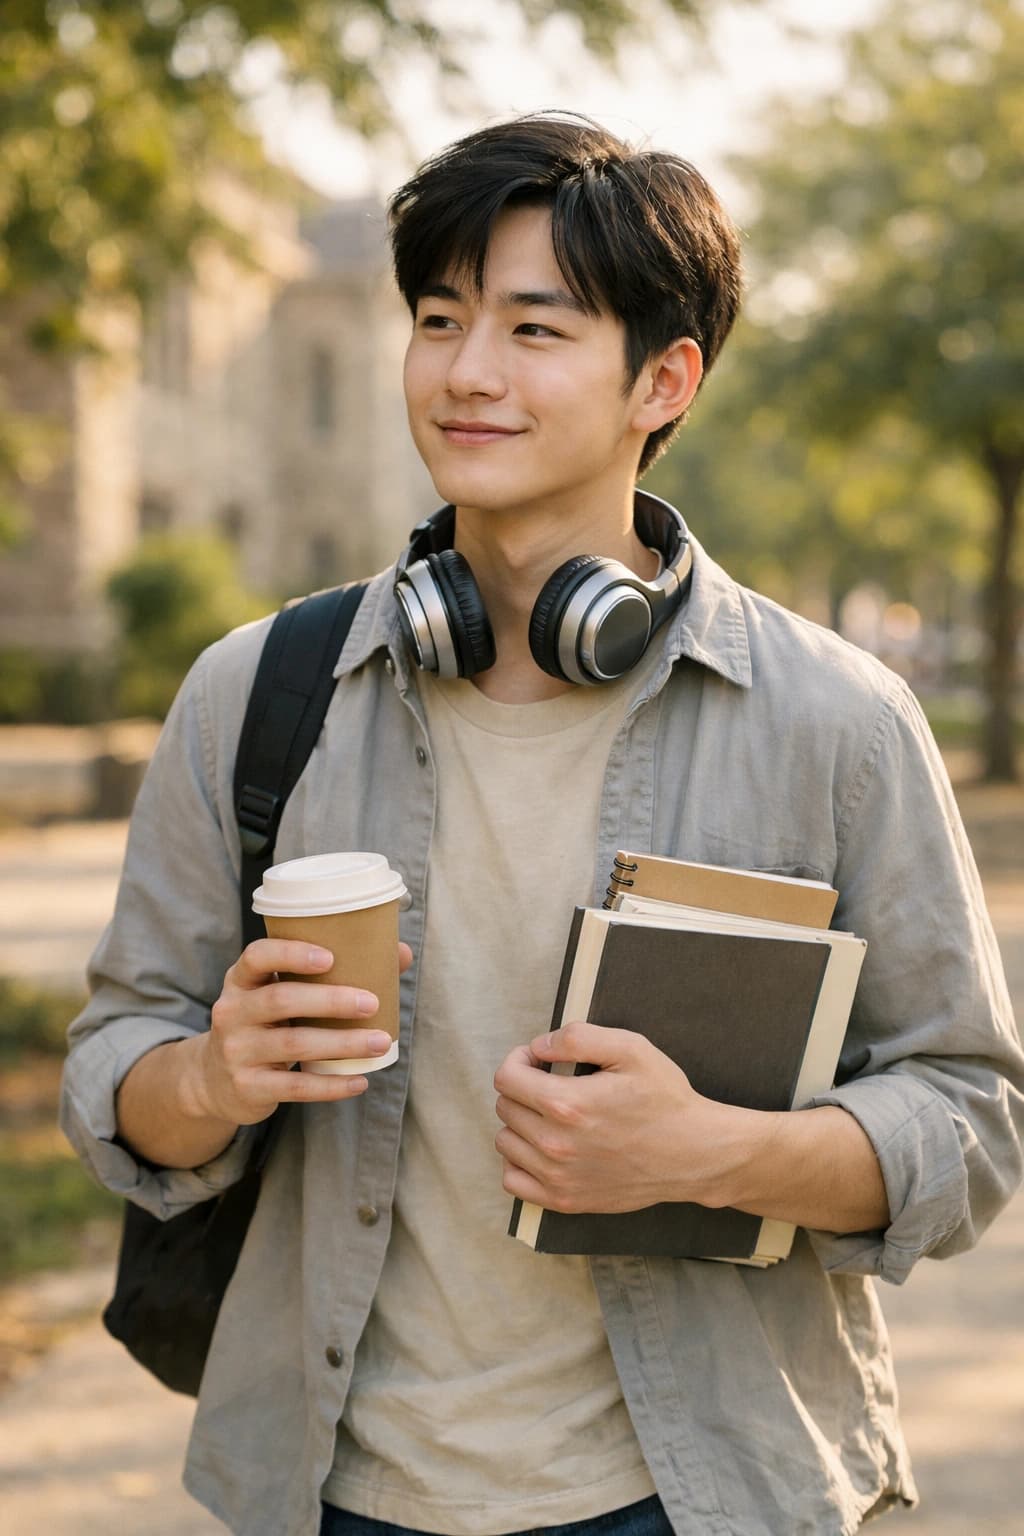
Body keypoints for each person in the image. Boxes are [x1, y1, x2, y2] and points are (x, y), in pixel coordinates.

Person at [61, 113, 1024, 1536]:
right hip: (331, 1485)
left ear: (664, 377)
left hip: (705, 1493)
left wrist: (707, 1151)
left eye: (534, 328)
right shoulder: (254, 696)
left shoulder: (838, 722)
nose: (465, 372)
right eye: (438, 318)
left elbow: (971, 1120)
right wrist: (214, 1075)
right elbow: (115, 1063)